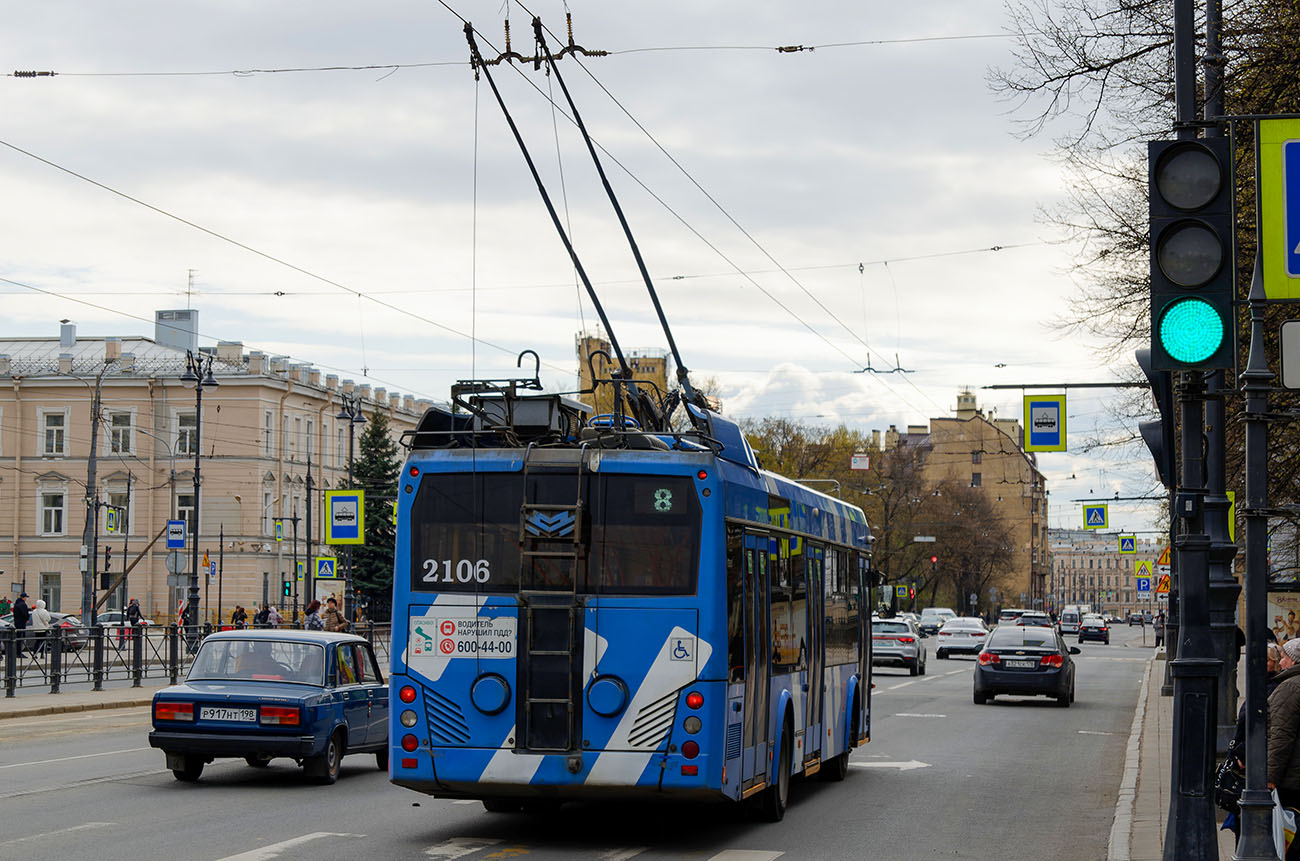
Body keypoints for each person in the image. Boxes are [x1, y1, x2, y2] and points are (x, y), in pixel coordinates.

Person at [12, 592, 29, 657]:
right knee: (20, 638)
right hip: (22, 623)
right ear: (24, 598)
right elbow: (25, 614)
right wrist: (26, 619)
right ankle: (19, 653)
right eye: (26, 597)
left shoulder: (16, 604)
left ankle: (16, 652)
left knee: (17, 638)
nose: (26, 599)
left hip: (17, 623)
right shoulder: (23, 605)